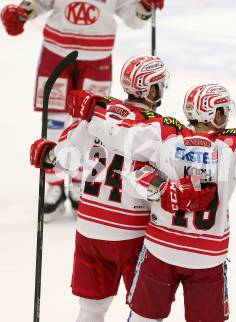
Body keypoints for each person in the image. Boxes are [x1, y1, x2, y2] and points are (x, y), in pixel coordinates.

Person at [67, 82, 236, 321]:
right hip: (207, 259)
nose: (227, 116)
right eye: (223, 109)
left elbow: (126, 144)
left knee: (143, 318)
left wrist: (95, 109)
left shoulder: (165, 135)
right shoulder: (233, 146)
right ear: (212, 113)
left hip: (159, 252)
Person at [28, 55, 217, 322]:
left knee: (90, 310)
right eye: (160, 85)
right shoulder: (162, 128)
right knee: (144, 314)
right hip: (133, 234)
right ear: (152, 89)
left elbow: (64, 159)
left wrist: (47, 153)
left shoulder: (93, 112)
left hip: (89, 231)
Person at [1, 0, 165, 220]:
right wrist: (20, 13)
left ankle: (80, 184)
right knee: (54, 121)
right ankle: (55, 184)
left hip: (97, 58)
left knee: (91, 122)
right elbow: (38, 3)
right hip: (56, 52)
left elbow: (133, 19)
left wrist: (145, 6)